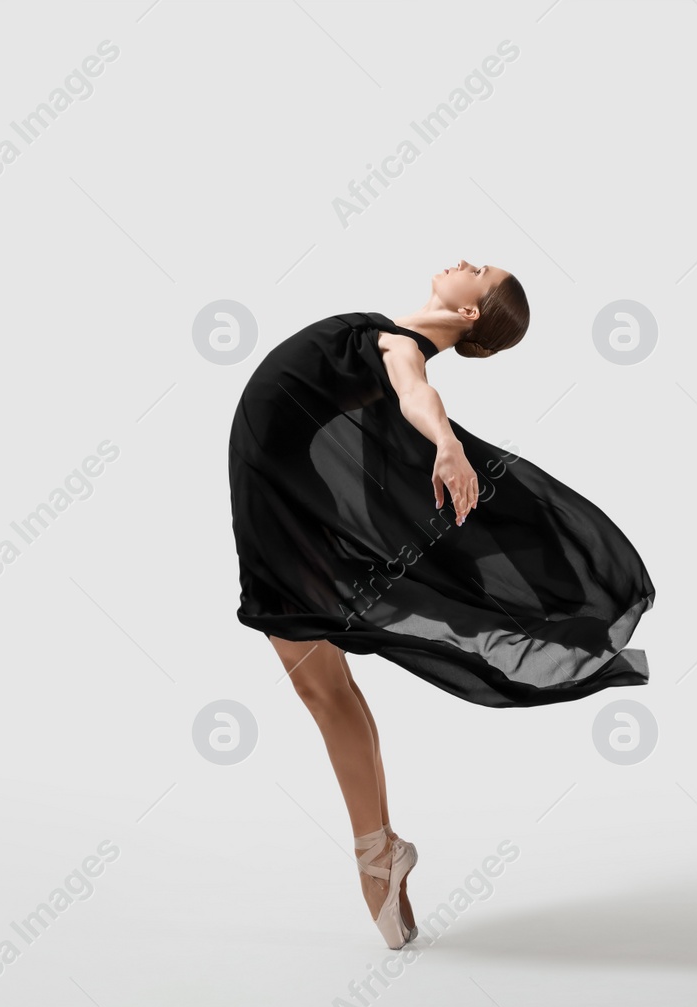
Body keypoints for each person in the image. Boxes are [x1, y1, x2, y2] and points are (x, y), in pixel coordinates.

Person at [227, 260, 654, 947]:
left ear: (469, 315)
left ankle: (377, 855)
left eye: (478, 272)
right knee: (324, 687)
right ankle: (380, 852)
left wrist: (448, 443)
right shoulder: (384, 332)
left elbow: (414, 394)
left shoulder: (400, 347)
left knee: (322, 689)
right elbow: (372, 442)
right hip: (281, 502)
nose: (465, 261)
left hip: (278, 510)